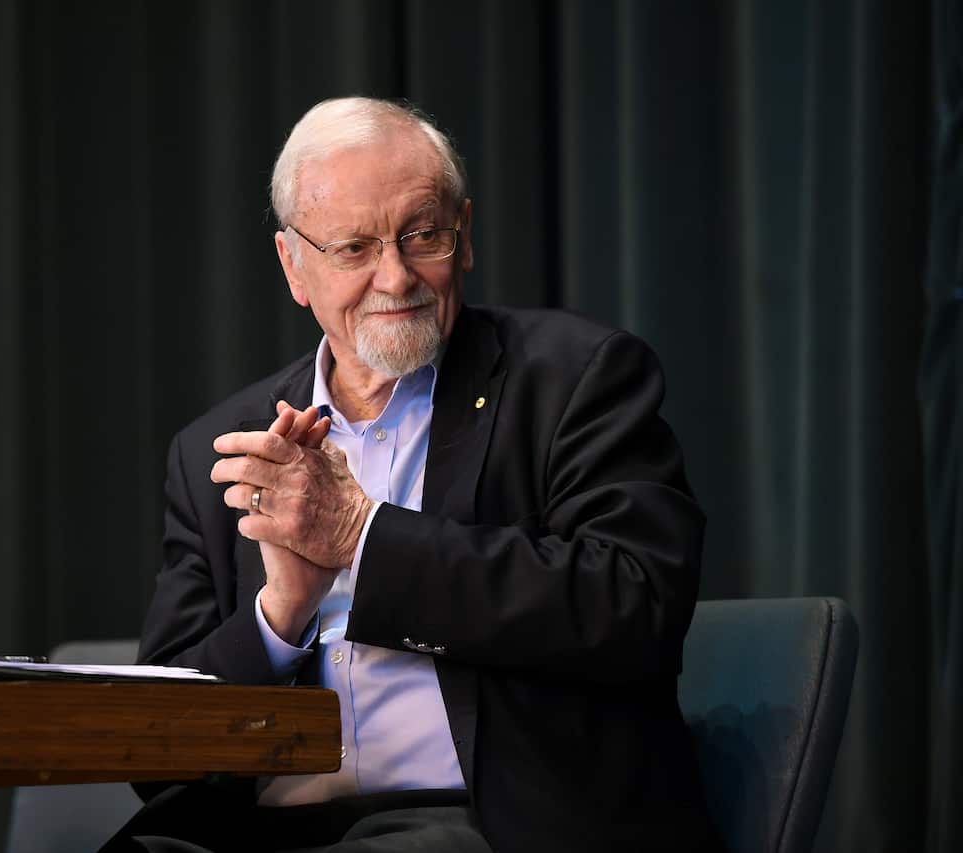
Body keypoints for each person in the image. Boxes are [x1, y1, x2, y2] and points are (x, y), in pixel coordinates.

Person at [105, 97, 721, 853]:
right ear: (294, 266)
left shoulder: (573, 379)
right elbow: (154, 746)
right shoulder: (222, 449)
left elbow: (636, 604)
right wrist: (279, 617)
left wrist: (362, 539)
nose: (395, 276)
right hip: (255, 829)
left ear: (463, 236)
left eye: (420, 235)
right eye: (354, 248)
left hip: (480, 821)